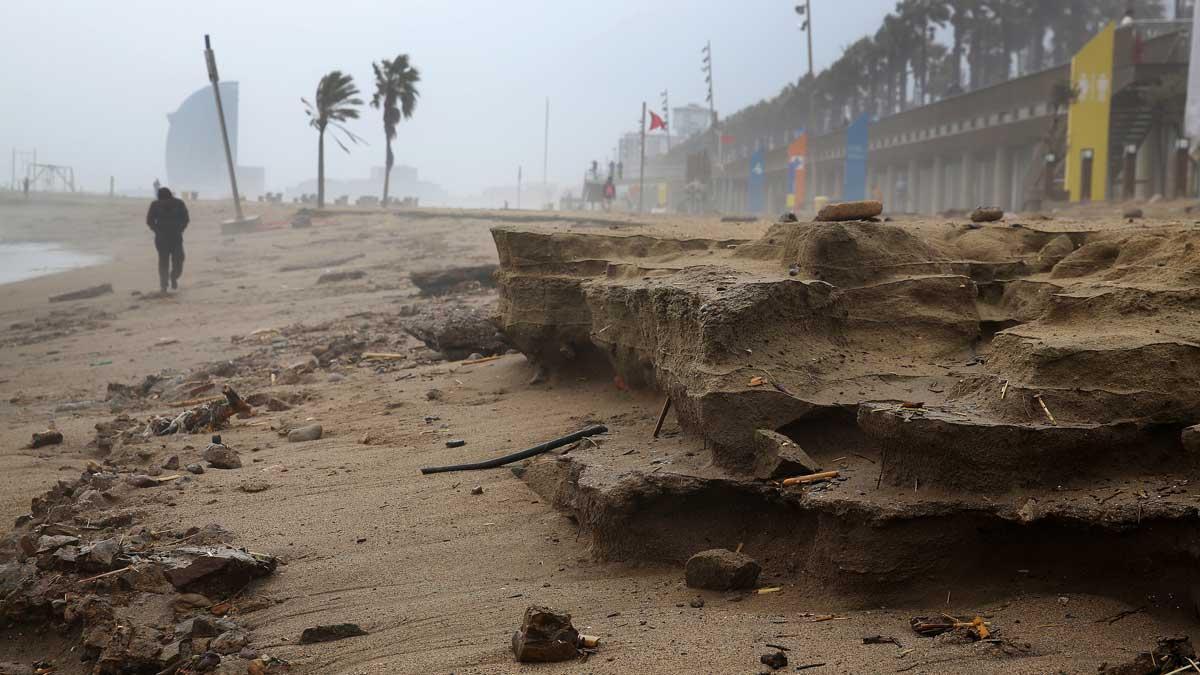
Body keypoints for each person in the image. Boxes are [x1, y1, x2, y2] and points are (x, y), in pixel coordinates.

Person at [145, 187, 189, 293]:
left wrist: (180, 229)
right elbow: (149, 221)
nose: (165, 202)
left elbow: (186, 219)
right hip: (162, 239)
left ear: (170, 197)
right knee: (164, 262)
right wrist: (157, 231)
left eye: (167, 199)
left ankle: (173, 277)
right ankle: (163, 285)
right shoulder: (155, 205)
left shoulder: (179, 204)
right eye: (163, 200)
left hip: (176, 237)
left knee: (179, 260)